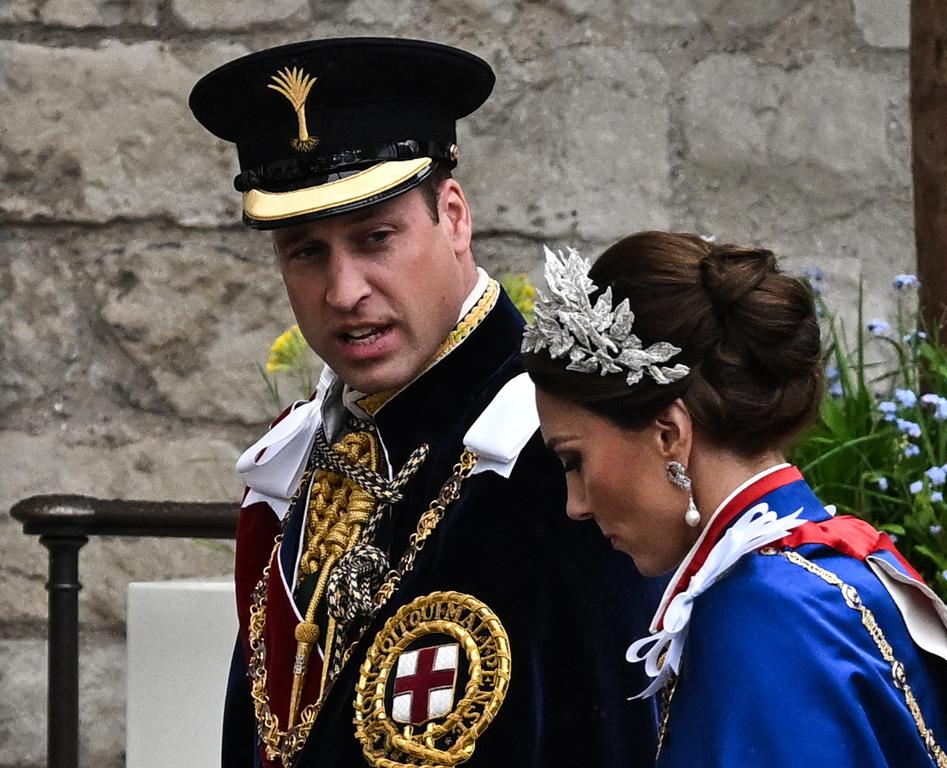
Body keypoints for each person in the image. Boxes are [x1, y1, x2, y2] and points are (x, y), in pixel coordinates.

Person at [189, 39, 662, 768]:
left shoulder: (560, 451)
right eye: (306, 252)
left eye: (376, 238)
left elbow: (614, 739)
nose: (343, 292)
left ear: (454, 215)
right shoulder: (312, 445)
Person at [522, 232, 947, 768]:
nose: (576, 504)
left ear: (668, 434)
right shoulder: (832, 562)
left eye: (573, 461)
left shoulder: (759, 615)